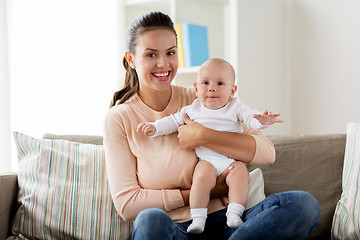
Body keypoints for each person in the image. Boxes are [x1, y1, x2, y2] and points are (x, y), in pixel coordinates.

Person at [103, 11, 320, 240]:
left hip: (231, 222)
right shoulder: (120, 118)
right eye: (150, 55)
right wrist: (202, 191)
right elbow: (127, 205)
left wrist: (204, 136)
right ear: (131, 59)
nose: (163, 64)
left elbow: (267, 153)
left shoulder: (205, 95)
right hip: (174, 229)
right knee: (150, 219)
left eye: (170, 53)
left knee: (303, 205)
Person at [137, 57, 284, 234]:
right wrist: (154, 128)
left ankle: (234, 213)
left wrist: (263, 120)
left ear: (232, 90)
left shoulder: (235, 108)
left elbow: (251, 119)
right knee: (200, 178)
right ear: (196, 88)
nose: (212, 88)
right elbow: (172, 121)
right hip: (206, 160)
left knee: (241, 173)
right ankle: (198, 218)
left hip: (230, 161)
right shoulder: (193, 109)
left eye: (220, 83)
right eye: (205, 83)